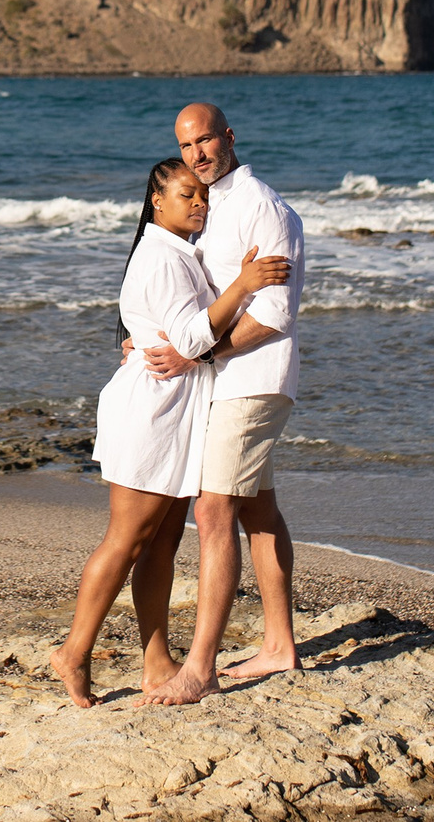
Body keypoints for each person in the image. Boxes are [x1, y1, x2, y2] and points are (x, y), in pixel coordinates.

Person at [49, 158, 290, 708]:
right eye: (187, 195)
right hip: (152, 415)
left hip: (176, 414)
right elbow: (189, 336)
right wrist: (244, 284)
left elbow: (170, 329)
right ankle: (73, 652)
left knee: (163, 543)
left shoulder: (180, 254)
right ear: (157, 201)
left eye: (202, 195)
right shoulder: (162, 257)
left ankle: (156, 660)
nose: (199, 202)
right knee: (128, 539)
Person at [137, 101, 306, 705]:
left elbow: (272, 315)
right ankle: (279, 645)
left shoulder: (259, 205)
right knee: (258, 510)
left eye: (206, 141)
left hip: (253, 378)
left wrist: (196, 357)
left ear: (229, 136)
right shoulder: (209, 209)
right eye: (186, 147)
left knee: (213, 512)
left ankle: (200, 668)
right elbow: (193, 299)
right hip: (225, 380)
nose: (197, 155)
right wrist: (151, 336)